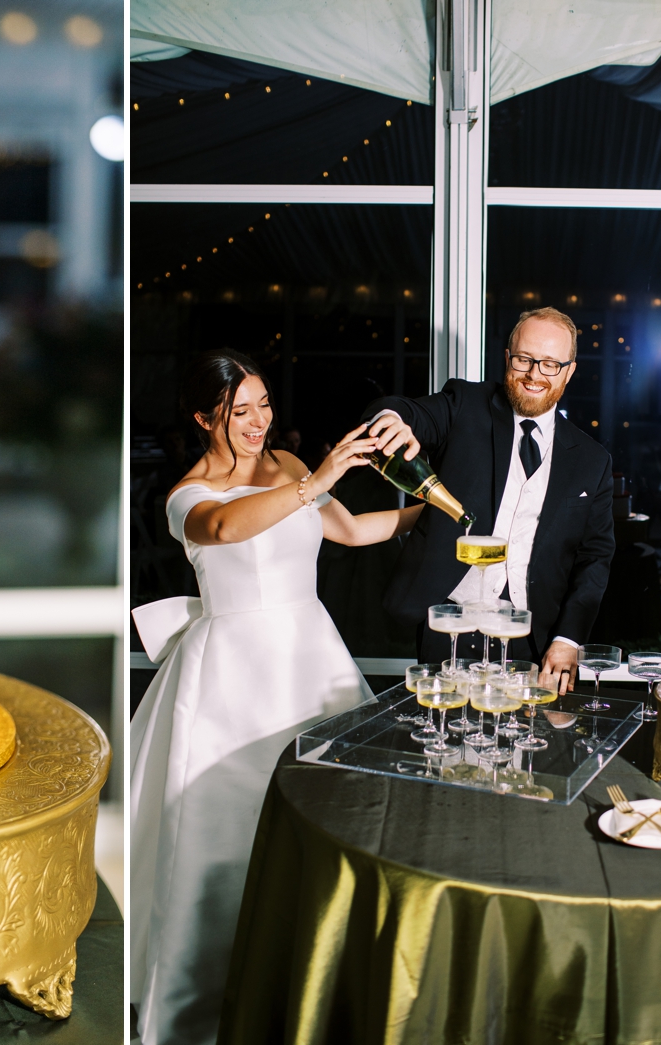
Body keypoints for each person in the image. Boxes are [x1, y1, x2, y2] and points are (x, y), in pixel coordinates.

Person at [130, 350, 421, 1045]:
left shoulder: (290, 468)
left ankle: (317, 987)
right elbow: (229, 529)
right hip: (232, 676)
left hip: (309, 656)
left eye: (263, 404)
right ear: (206, 418)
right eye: (240, 411)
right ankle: (208, 1001)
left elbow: (350, 530)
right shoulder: (187, 494)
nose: (259, 421)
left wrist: (434, 519)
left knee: (331, 823)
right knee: (225, 838)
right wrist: (318, 477)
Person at [365, 306, 615, 694]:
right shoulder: (465, 404)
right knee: (444, 739)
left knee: (519, 745)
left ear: (569, 371)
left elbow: (594, 559)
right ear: (507, 359)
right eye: (524, 359)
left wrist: (568, 639)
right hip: (450, 623)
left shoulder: (592, 460)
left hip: (531, 634)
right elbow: (409, 412)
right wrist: (393, 419)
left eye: (550, 364)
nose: (535, 374)